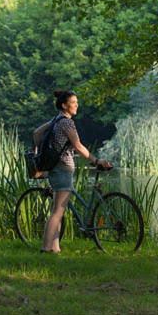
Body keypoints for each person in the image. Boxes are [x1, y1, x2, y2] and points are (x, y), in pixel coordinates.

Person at [40, 90, 111, 253]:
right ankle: (45, 248)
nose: (77, 105)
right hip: (63, 169)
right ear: (64, 105)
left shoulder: (56, 120)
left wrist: (40, 154)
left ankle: (55, 248)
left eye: (76, 102)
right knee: (58, 211)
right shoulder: (67, 123)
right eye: (73, 102)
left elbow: (37, 134)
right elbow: (78, 146)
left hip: (55, 168)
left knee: (59, 210)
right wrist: (96, 161)